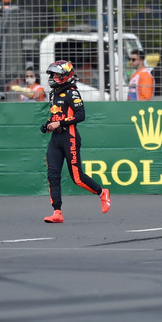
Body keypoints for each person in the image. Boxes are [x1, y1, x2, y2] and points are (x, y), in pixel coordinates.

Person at [40, 60, 111, 223]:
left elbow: (81, 115)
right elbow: (55, 115)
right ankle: (57, 212)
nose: (53, 77)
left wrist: (60, 123)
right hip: (55, 138)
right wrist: (47, 125)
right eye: (53, 74)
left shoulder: (72, 92)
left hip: (69, 137)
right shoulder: (53, 93)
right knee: (52, 175)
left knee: (77, 178)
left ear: (66, 75)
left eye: (57, 74)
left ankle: (102, 193)